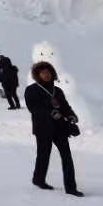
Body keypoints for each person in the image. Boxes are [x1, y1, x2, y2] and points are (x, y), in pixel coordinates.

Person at [26, 62, 82, 196]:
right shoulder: (31, 90)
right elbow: (33, 108)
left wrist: (72, 115)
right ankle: (38, 179)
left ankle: (71, 188)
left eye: (48, 72)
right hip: (43, 128)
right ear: (38, 75)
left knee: (67, 157)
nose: (46, 74)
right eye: (43, 72)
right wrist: (50, 113)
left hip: (60, 127)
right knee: (43, 156)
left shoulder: (57, 90)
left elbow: (65, 106)